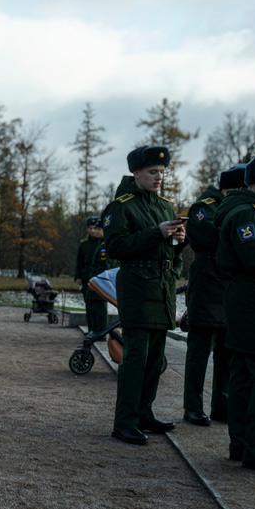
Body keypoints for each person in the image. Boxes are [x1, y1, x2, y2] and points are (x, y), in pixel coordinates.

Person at [101, 146, 186, 444]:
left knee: (154, 358)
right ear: (136, 173)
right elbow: (116, 248)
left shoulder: (164, 205)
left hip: (161, 288)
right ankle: (124, 421)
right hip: (137, 287)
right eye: (152, 172)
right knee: (135, 357)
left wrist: (178, 244)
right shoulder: (121, 207)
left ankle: (143, 414)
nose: (158, 177)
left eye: (161, 172)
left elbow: (169, 250)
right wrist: (157, 233)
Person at [215, 155, 255, 472]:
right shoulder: (248, 213)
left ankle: (242, 444)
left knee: (244, 376)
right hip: (254, 298)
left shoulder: (249, 210)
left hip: (246, 298)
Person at [181, 165, 243, 427]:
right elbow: (208, 235)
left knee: (227, 352)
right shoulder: (203, 207)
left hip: (229, 284)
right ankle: (193, 407)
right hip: (207, 282)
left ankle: (222, 405)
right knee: (199, 350)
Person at [75, 216, 108, 336]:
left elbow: (104, 264)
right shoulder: (84, 245)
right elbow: (79, 262)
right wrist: (78, 276)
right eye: (91, 228)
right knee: (89, 304)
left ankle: (99, 331)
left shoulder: (103, 245)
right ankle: (92, 329)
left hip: (98, 278)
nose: (93, 231)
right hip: (86, 277)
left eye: (96, 228)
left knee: (98, 305)